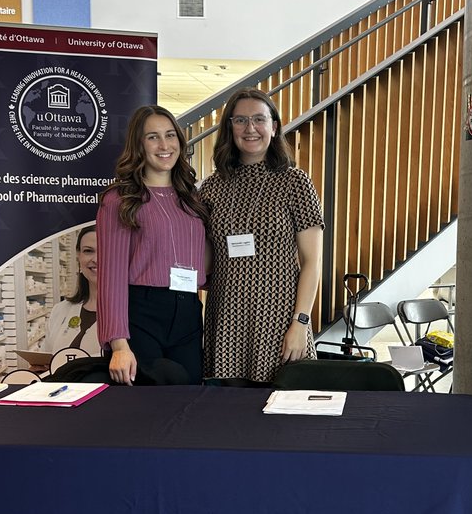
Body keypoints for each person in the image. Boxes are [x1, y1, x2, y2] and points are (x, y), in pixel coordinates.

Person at [201, 88, 324, 383]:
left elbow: (311, 262)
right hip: (226, 322)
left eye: (259, 119)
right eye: (240, 120)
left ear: (274, 126)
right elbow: (204, 262)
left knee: (284, 414)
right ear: (229, 128)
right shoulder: (211, 188)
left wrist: (300, 323)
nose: (250, 128)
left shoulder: (296, 182)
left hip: (281, 321)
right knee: (230, 415)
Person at [96, 105, 207, 386]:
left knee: (188, 397)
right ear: (138, 145)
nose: (164, 145)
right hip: (141, 314)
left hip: (188, 310)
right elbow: (111, 277)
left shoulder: (191, 197)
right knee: (147, 404)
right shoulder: (120, 200)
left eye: (170, 135)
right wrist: (119, 345)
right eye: (152, 137)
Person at [41, 225, 101, 357]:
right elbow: (46, 357)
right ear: (78, 256)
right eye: (88, 251)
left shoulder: (134, 311)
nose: (96, 259)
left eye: (106, 250)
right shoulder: (60, 310)